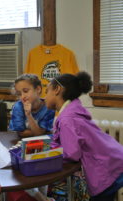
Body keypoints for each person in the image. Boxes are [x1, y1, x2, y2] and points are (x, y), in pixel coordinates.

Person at [45, 72, 123, 201]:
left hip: (107, 169)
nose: (45, 96)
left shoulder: (67, 119)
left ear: (57, 90)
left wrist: (49, 155)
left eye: (47, 91)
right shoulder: (73, 109)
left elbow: (72, 153)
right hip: (113, 160)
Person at [8, 74, 55, 201]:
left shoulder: (48, 107)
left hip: (42, 146)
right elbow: (20, 131)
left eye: (25, 91)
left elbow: (40, 134)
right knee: (23, 173)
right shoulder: (18, 106)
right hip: (20, 147)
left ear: (38, 89)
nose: (22, 96)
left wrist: (28, 115)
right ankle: (43, 199)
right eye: (19, 93)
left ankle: (42, 196)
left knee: (43, 171)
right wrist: (37, 131)